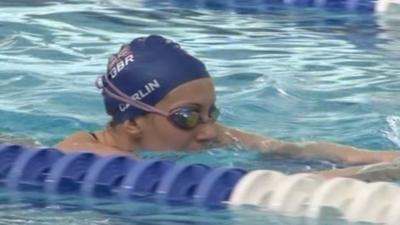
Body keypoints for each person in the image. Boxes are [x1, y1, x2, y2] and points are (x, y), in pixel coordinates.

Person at [56, 35, 399, 179]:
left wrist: (384, 159)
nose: (208, 131)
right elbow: (251, 184)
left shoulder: (197, 133)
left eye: (211, 113)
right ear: (133, 122)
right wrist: (375, 176)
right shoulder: (93, 158)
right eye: (188, 117)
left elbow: (283, 150)